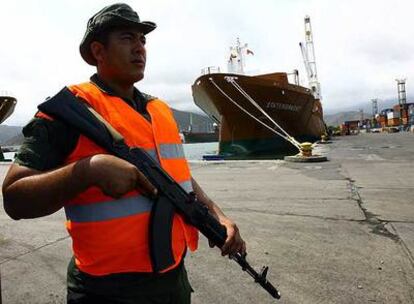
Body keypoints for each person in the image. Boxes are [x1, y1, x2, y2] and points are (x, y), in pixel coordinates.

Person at [2, 3, 246, 303]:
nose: (139, 48)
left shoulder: (159, 110)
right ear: (98, 51)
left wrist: (216, 215)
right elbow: (14, 197)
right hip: (105, 291)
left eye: (143, 40)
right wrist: (89, 170)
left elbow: (177, 178)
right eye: (127, 38)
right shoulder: (71, 111)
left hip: (173, 282)